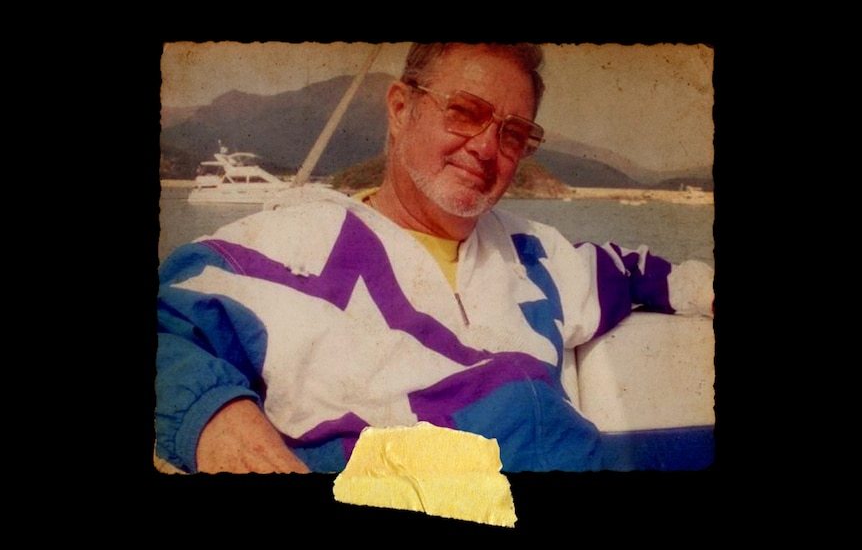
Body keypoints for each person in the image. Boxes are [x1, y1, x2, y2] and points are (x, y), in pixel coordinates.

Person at [156, 42, 714, 474]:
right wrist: (217, 419)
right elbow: (170, 325)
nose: (487, 148)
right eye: (466, 112)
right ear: (401, 109)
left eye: (514, 133)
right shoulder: (291, 243)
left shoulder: (537, 255)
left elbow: (636, 272)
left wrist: (701, 287)